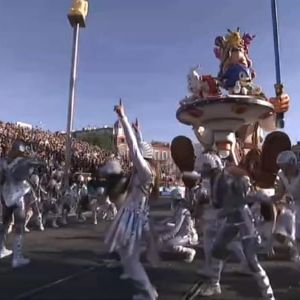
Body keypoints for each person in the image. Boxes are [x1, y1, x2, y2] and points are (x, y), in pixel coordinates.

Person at [105, 101, 159, 300]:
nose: (132, 159)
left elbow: (134, 149)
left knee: (130, 258)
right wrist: (139, 132)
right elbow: (140, 149)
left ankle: (149, 292)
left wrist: (123, 118)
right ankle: (144, 287)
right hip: (136, 214)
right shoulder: (149, 170)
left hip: (132, 216)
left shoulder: (144, 171)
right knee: (129, 254)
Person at [0, 139, 45, 267]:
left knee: (6, 222)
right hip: (17, 195)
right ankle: (17, 257)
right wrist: (34, 157)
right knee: (19, 224)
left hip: (5, 195)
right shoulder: (24, 162)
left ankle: (1, 249)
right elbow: (40, 163)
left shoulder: (3, 161)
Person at [270, 150, 300, 261]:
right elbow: (280, 193)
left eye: (285, 166)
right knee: (279, 232)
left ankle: (296, 251)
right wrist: (265, 199)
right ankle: (293, 246)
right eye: (281, 166)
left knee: (297, 230)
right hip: (292, 205)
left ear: (292, 164)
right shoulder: (281, 174)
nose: (283, 169)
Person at [158, 188, 198, 263]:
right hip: (183, 232)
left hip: (188, 235)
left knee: (169, 244)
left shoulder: (182, 210)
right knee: (165, 230)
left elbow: (176, 229)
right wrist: (163, 222)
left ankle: (190, 252)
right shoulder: (179, 208)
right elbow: (173, 218)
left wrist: (164, 237)